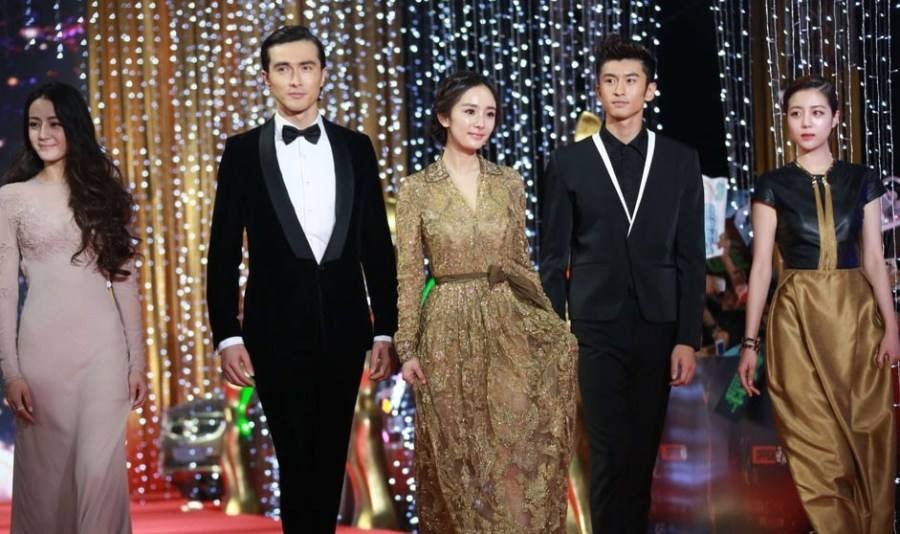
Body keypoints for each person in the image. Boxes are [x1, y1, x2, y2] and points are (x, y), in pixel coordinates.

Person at [205, 25, 397, 533]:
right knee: (295, 458)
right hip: (272, 332)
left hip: (346, 329)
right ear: (266, 77)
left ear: (323, 75)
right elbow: (222, 251)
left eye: (306, 67)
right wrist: (227, 334)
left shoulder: (356, 147)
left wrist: (385, 327)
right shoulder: (243, 151)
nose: (295, 80)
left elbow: (377, 245)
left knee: (330, 460)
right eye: (284, 69)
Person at [395, 71, 578, 533]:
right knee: (456, 461)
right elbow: (410, 275)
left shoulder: (509, 182)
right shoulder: (417, 188)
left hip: (505, 323)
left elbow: (519, 262)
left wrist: (551, 323)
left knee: (513, 453)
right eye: (470, 111)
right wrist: (407, 346)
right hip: (445, 330)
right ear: (444, 117)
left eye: (490, 114)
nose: (481, 123)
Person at [539, 35, 705, 532]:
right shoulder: (569, 162)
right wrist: (557, 331)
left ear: (649, 90)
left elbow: (691, 256)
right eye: (609, 81)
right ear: (597, 89)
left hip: (659, 325)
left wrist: (687, 337)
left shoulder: (680, 160)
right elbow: (553, 259)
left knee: (641, 455)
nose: (619, 90)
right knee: (608, 452)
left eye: (630, 81)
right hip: (593, 327)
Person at [737, 75, 898, 533]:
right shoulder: (772, 185)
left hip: (856, 316)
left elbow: (873, 258)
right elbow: (762, 268)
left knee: (870, 433)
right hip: (796, 317)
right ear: (785, 121)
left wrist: (891, 326)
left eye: (817, 113)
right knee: (814, 442)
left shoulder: (862, 180)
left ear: (835, 119)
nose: (806, 122)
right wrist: (749, 343)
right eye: (796, 113)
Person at [0, 81, 147, 533]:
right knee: (48, 486)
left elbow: (126, 283)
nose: (43, 134)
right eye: (34, 125)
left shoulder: (104, 194)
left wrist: (137, 363)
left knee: (98, 474)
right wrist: (11, 372)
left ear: (74, 127)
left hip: (103, 354)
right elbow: (4, 291)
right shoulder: (11, 199)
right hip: (41, 357)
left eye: (55, 124)